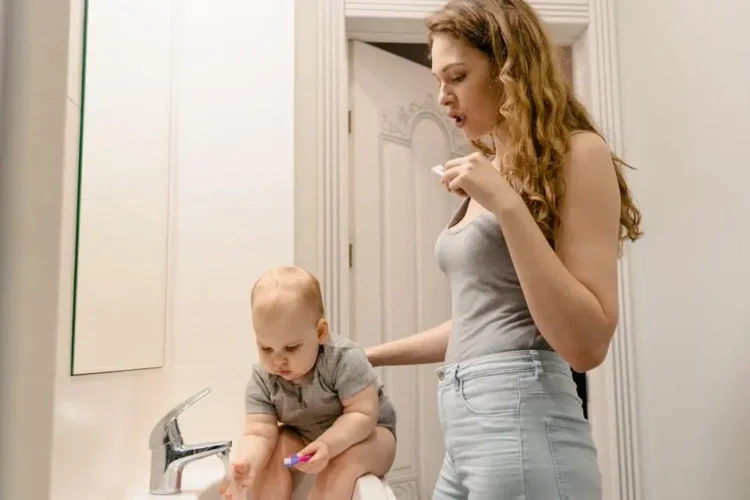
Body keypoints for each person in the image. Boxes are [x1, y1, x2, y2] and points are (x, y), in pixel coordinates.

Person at [364, 1, 643, 499]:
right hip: (467, 430)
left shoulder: (578, 154)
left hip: (524, 422)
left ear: (509, 69)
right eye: (438, 80)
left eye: (458, 76)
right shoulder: (495, 169)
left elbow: (588, 344)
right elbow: (487, 318)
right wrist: (368, 357)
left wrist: (505, 204)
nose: (443, 97)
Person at [221, 266, 397, 500]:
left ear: (320, 332)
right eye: (266, 348)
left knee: (342, 462)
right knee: (275, 451)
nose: (278, 360)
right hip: (305, 437)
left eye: (291, 347)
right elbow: (258, 432)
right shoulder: (263, 378)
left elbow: (362, 414)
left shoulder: (344, 360)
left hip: (368, 437)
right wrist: (248, 463)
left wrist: (329, 445)